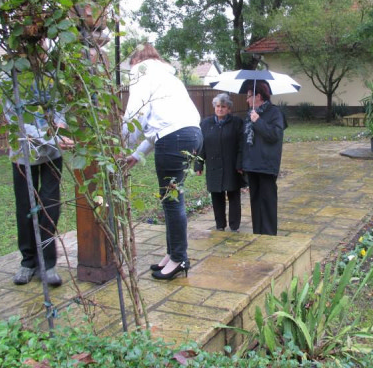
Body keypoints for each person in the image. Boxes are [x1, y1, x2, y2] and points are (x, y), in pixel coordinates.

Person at [122, 43, 202, 281]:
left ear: (136, 62)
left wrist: (120, 144)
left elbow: (135, 116)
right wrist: (137, 154)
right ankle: (173, 253)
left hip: (174, 139)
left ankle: (179, 258)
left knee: (172, 200)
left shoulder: (141, 74)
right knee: (172, 198)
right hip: (192, 135)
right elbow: (161, 124)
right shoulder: (168, 77)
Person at [3, 73, 73, 287]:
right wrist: (51, 138)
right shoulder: (9, 77)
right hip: (23, 154)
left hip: (52, 154)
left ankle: (48, 264)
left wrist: (59, 125)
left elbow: (60, 106)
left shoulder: (52, 74)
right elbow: (16, 121)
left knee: (50, 206)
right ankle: (28, 262)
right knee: (25, 206)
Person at [195, 93, 245, 232]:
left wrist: (240, 164)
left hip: (231, 166)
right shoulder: (206, 124)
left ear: (229, 108)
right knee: (216, 196)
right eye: (218, 106)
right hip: (213, 166)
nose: (220, 109)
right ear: (214, 107)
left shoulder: (237, 123)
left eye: (223, 106)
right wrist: (198, 164)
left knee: (233, 195)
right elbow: (201, 146)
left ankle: (234, 226)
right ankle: (220, 225)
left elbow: (242, 145)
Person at [241, 80, 286, 235]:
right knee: (255, 201)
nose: (247, 100)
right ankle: (257, 233)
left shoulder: (274, 112)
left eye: (249, 96)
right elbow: (245, 140)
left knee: (267, 202)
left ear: (258, 96)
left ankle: (269, 235)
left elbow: (274, 135)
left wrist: (258, 121)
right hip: (252, 165)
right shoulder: (250, 113)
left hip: (266, 165)